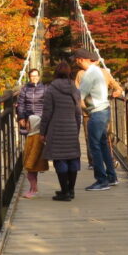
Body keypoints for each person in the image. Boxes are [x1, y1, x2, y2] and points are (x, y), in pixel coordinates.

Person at [74, 48, 117, 191]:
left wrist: (84, 110)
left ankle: (101, 180)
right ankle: (111, 177)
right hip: (105, 110)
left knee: (95, 147)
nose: (76, 62)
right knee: (103, 144)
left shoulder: (88, 75)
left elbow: (79, 97)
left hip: (97, 113)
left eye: (77, 59)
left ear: (82, 59)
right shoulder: (98, 71)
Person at [39, 61, 82, 201]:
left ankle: (64, 192)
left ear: (55, 73)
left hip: (56, 128)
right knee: (72, 158)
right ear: (69, 72)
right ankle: (71, 191)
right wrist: (77, 128)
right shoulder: (74, 88)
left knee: (60, 159)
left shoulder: (51, 89)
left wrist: (42, 132)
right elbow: (78, 111)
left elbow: (47, 113)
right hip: (71, 127)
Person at [21, 114, 48, 198]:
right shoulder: (32, 134)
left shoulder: (36, 137)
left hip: (34, 161)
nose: (26, 125)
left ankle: (34, 190)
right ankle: (31, 189)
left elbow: (34, 151)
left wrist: (29, 163)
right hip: (33, 161)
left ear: (34, 124)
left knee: (30, 176)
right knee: (33, 176)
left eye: (28, 123)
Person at [17, 69, 46, 134]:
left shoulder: (44, 88)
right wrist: (21, 117)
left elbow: (47, 104)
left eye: (36, 76)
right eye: (32, 76)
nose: (34, 78)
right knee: (29, 139)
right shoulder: (25, 89)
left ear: (39, 76)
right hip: (28, 118)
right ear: (29, 77)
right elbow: (21, 104)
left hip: (41, 118)